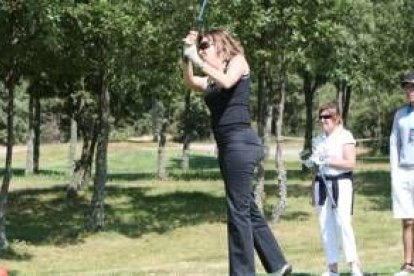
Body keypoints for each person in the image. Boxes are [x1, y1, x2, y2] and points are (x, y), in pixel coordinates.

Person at [181, 29, 291, 276]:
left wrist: (195, 59)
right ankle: (277, 264)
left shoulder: (238, 62)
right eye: (199, 47)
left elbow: (228, 81)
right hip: (227, 146)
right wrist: (186, 57)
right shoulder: (210, 79)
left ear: (221, 44)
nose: (202, 50)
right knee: (246, 206)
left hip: (241, 143)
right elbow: (190, 82)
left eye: (205, 45)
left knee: (237, 210)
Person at [304, 102, 363, 276]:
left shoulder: (345, 136)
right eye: (321, 117)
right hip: (321, 183)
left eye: (327, 116)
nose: (323, 120)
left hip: (341, 183)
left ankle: (354, 264)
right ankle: (332, 266)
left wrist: (328, 160)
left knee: (343, 223)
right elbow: (316, 166)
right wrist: (312, 189)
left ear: (337, 118)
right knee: (325, 224)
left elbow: (350, 163)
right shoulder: (318, 139)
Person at [390, 71, 414, 276]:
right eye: (407, 88)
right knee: (407, 219)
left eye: (412, 87)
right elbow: (394, 145)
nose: (410, 91)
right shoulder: (400, 115)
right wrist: (395, 173)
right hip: (404, 172)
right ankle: (408, 264)